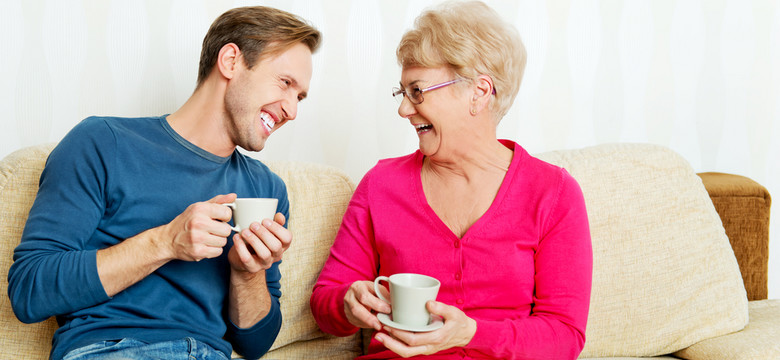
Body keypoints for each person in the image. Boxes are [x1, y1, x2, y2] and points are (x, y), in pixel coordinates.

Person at [7, 6, 320, 360]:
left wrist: (247, 274)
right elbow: (29, 291)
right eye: (285, 83)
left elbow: (254, 345)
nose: (292, 111)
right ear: (231, 61)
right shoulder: (104, 142)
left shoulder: (267, 189)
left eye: (300, 97)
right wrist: (165, 241)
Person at [310, 1, 592, 359]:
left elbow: (564, 336)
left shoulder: (553, 193)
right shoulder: (381, 185)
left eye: (418, 91)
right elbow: (325, 301)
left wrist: (471, 334)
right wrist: (347, 303)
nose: (404, 109)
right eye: (403, 92)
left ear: (478, 92)